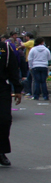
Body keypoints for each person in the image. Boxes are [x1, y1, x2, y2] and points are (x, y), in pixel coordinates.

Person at [0, 37, 22, 166]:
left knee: (4, 119)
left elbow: (13, 69)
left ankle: (1, 151)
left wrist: (18, 89)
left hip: (2, 87)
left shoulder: (5, 48)